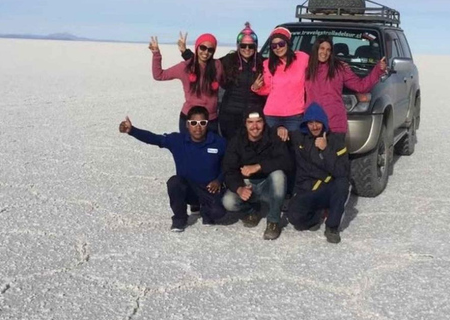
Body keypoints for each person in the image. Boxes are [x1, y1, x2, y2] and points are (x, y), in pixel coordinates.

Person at [119, 106, 227, 232]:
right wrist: (132, 130)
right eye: (193, 123)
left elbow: (228, 165)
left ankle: (206, 212)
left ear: (207, 124)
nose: (198, 127)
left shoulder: (219, 142)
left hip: (209, 190)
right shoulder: (177, 140)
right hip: (188, 189)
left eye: (202, 123)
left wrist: (219, 180)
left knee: (219, 212)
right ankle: (180, 219)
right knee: (174, 182)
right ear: (187, 124)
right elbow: (155, 138)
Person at [180, 23, 266, 139]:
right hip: (230, 115)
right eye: (243, 46)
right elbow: (206, 64)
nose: (247, 49)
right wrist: (186, 53)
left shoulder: (263, 63)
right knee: (230, 148)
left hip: (253, 115)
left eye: (250, 46)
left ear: (255, 47)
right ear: (238, 46)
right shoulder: (228, 60)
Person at [281, 102, 350, 244]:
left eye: (317, 122)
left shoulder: (336, 140)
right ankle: (316, 215)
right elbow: (277, 135)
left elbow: (342, 172)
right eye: (310, 123)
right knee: (294, 218)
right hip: (308, 188)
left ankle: (332, 226)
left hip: (328, 188)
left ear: (323, 122)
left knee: (342, 183)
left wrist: (325, 150)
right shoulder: (299, 138)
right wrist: (279, 128)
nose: (314, 126)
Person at [221, 106, 293, 240]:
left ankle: (273, 221)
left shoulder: (273, 136)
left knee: (279, 175)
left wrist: (259, 167)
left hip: (268, 186)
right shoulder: (237, 141)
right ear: (245, 124)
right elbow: (228, 169)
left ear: (264, 122)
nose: (255, 126)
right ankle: (252, 210)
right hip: (248, 185)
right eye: (250, 122)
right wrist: (239, 188)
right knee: (228, 202)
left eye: (259, 121)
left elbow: (286, 162)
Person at [304, 35, 388, 133]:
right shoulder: (305, 67)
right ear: (316, 49)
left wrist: (378, 70)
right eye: (322, 48)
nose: (324, 53)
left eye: (328, 50)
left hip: (334, 125)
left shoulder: (339, 68)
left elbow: (361, 86)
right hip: (313, 125)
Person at [149, 33, 224, 133]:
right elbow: (159, 75)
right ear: (197, 47)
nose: (206, 52)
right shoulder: (185, 67)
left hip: (211, 120)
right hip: (189, 120)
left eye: (210, 50)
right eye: (203, 47)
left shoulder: (217, 66)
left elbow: (224, 82)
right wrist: (156, 54)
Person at [251, 27, 309, 132]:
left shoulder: (302, 58)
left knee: (293, 147)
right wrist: (256, 88)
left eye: (281, 44)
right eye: (274, 46)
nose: (278, 48)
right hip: (272, 115)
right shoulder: (267, 64)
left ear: (288, 43)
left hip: (295, 115)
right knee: (273, 147)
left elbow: (317, 71)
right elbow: (268, 89)